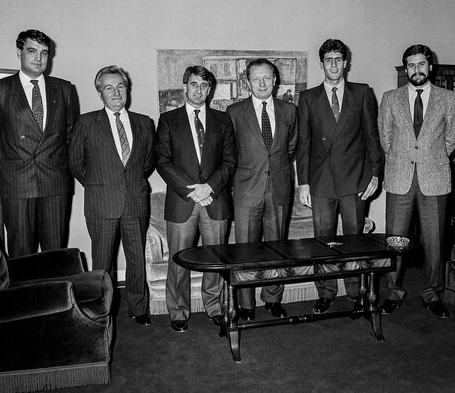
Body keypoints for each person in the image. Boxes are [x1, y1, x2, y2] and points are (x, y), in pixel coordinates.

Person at [297, 39, 383, 314]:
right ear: (321, 64)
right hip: (321, 180)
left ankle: (356, 292)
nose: (333, 64)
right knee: (323, 241)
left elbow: (372, 139)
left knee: (353, 239)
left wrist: (375, 175)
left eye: (338, 59)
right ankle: (325, 292)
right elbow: (304, 144)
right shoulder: (308, 98)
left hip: (355, 179)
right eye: (328, 59)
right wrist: (304, 182)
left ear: (346, 63)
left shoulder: (362, 93)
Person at [378, 44, 455, 318]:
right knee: (396, 240)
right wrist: (403, 158)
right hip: (399, 177)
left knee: (434, 241)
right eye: (411, 65)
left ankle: (432, 293)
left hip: (434, 177)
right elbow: (385, 138)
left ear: (430, 67)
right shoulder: (390, 98)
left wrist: (432, 157)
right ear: (406, 69)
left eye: (421, 64)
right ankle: (393, 292)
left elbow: (452, 138)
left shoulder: (448, 99)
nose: (417, 70)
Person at [0, 29, 79, 257]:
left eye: (44, 53)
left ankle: (57, 294)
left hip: (55, 183)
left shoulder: (64, 89)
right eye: (32, 51)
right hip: (17, 184)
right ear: (19, 52)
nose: (39, 58)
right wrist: (13, 162)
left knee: (56, 255)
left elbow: (71, 134)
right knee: (21, 255)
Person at [69, 65, 154, 326]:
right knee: (102, 262)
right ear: (100, 93)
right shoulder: (86, 122)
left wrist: (130, 183)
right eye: (109, 87)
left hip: (135, 202)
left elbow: (148, 162)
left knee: (136, 258)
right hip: (101, 204)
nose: (116, 92)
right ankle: (100, 310)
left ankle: (139, 308)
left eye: (120, 86)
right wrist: (99, 184)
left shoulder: (144, 122)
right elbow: (75, 163)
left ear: (126, 90)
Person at [155, 66, 237, 333]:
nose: (199, 90)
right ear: (185, 87)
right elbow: (163, 163)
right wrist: (193, 190)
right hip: (183, 202)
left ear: (210, 89)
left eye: (204, 85)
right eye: (194, 84)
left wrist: (210, 188)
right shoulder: (168, 120)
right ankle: (178, 311)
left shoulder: (223, 120)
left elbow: (229, 160)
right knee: (179, 260)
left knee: (215, 259)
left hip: (216, 201)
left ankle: (214, 307)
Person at [227, 58, 298, 321]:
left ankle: (272, 298)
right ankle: (246, 304)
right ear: (247, 83)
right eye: (256, 79)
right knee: (245, 249)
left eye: (267, 78)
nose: (262, 83)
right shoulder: (235, 112)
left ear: (275, 80)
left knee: (276, 248)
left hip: (279, 189)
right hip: (247, 191)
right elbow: (230, 152)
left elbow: (290, 148)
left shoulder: (289, 111)